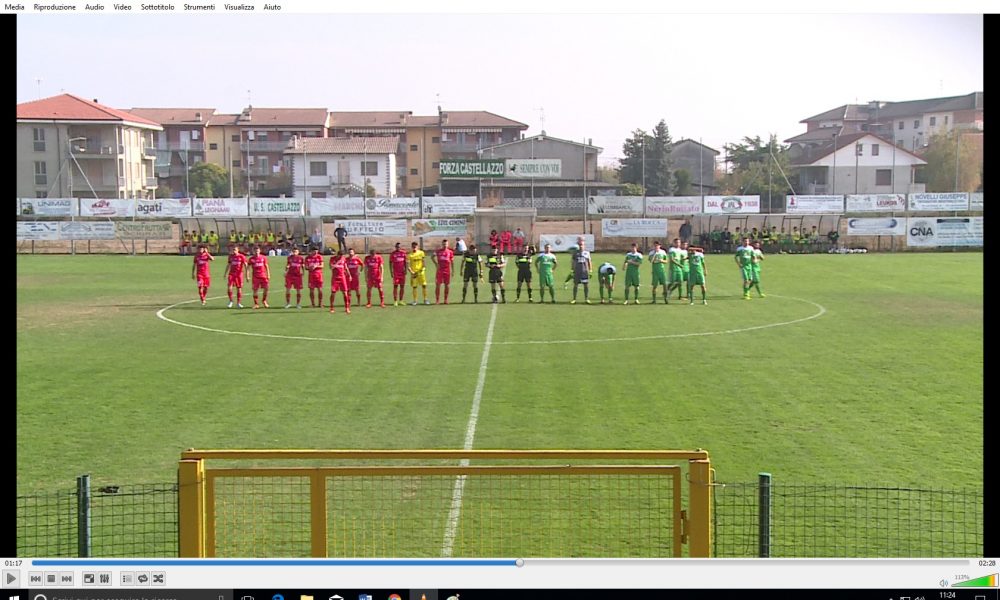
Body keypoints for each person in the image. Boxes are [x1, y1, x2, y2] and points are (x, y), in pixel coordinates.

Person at [431, 238, 455, 304]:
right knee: (438, 285)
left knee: (447, 285)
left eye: (446, 244)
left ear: (448, 244)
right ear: (442, 244)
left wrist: (453, 271)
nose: (445, 245)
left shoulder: (450, 252)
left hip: (447, 270)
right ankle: (437, 300)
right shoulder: (438, 251)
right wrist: (436, 264)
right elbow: (432, 257)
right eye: (444, 244)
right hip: (440, 270)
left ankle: (445, 300)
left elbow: (452, 262)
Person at [570, 238, 592, 304]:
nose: (581, 246)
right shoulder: (575, 253)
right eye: (579, 245)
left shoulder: (587, 253)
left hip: (584, 271)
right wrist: (572, 270)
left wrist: (590, 270)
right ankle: (574, 299)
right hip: (577, 271)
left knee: (586, 285)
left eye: (582, 245)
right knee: (575, 285)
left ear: (584, 245)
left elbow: (589, 262)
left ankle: (586, 299)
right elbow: (573, 262)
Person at [408, 241, 429, 305]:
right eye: (413, 246)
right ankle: (415, 301)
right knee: (414, 287)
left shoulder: (421, 253)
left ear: (417, 246)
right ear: (412, 247)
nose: (414, 247)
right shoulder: (410, 255)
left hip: (421, 273)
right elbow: (408, 266)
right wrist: (412, 272)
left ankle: (425, 299)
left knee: (424, 286)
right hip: (414, 273)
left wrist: (423, 269)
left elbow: (424, 263)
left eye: (415, 246)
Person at [665, 238, 685, 303]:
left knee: (680, 282)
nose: (678, 244)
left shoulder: (680, 250)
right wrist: (679, 265)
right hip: (673, 268)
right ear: (674, 243)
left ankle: (670, 291)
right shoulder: (672, 250)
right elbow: (672, 259)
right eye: (676, 242)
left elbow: (682, 258)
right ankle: (666, 293)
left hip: (679, 269)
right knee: (671, 282)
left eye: (679, 242)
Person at [389, 242, 408, 306]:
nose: (398, 248)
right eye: (397, 247)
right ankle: (395, 301)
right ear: (395, 247)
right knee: (395, 286)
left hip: (402, 272)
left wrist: (406, 270)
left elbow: (406, 262)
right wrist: (391, 272)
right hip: (395, 273)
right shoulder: (393, 254)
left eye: (399, 247)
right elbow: (390, 263)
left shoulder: (403, 253)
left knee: (402, 286)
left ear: (400, 247)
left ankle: (401, 300)